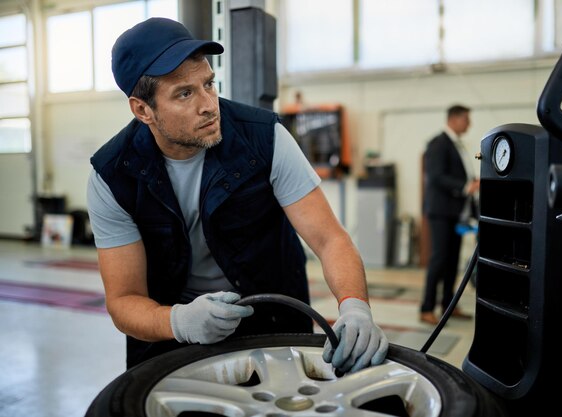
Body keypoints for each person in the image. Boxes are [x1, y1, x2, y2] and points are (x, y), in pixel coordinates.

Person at [86, 17, 387, 373]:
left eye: (208, 84)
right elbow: (124, 300)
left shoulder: (265, 138)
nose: (208, 104)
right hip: (171, 330)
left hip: (272, 321)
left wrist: (355, 306)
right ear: (142, 110)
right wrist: (180, 322)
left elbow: (329, 239)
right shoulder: (113, 175)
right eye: (185, 93)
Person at [420, 104, 479, 325]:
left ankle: (448, 305)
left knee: (452, 260)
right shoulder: (439, 143)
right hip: (441, 211)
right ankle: (426, 308)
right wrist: (465, 187)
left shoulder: (457, 144)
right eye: (466, 119)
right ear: (454, 119)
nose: (469, 124)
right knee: (439, 259)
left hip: (455, 212)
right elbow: (436, 176)